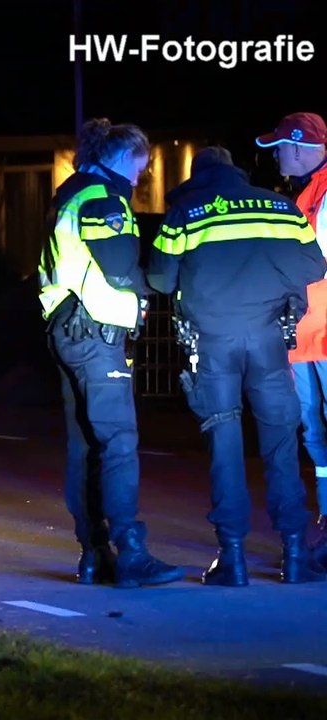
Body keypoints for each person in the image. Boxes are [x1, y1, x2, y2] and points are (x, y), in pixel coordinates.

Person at [148, 146, 327, 585]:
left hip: (214, 346)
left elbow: (159, 279)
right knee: (281, 446)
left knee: (224, 445)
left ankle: (233, 559)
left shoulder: (184, 213)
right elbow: (314, 264)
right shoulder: (280, 206)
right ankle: (295, 556)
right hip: (269, 340)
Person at [38, 117, 184, 588]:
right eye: (140, 167)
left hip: (67, 329)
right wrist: (145, 290)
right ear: (123, 157)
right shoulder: (103, 198)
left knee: (84, 445)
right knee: (118, 443)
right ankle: (131, 553)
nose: (140, 178)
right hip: (95, 333)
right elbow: (119, 267)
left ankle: (93, 554)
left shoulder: (69, 194)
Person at [255, 112, 327, 540]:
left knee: (317, 431)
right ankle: (324, 516)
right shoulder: (306, 195)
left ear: (299, 146)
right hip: (304, 335)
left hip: (319, 333)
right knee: (314, 434)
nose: (276, 155)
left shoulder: (320, 194)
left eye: (280, 147)